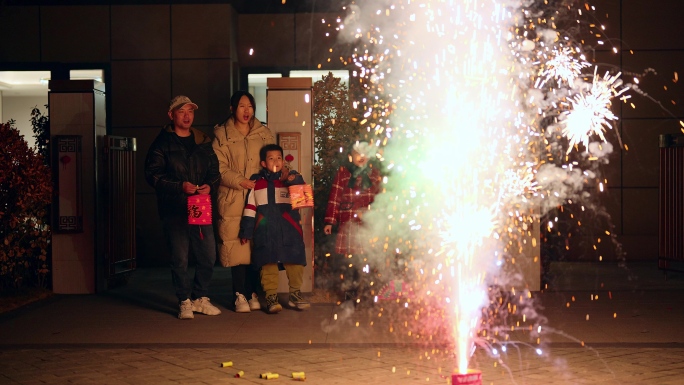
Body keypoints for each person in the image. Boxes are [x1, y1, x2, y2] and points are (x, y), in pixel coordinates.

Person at [144, 95, 222, 320]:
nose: (187, 116)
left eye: (190, 111)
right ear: (171, 115)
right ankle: (184, 300)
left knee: (208, 255)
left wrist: (210, 186)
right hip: (175, 209)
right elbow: (153, 175)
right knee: (180, 257)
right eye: (181, 111)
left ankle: (200, 297)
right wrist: (180, 186)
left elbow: (215, 172)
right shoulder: (162, 143)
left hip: (201, 207)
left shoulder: (203, 142)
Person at [212, 91, 288, 313]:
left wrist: (285, 174)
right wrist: (240, 181)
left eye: (250, 106)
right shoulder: (221, 134)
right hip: (234, 196)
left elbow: (273, 159)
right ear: (232, 108)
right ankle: (239, 294)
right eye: (241, 106)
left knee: (257, 245)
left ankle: (252, 291)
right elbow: (219, 167)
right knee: (237, 245)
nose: (246, 111)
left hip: (261, 195)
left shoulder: (263, 133)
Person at [239, 144, 310, 314]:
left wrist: (295, 179)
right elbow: (250, 207)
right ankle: (271, 297)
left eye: (279, 158)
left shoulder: (292, 179)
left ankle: (295, 295)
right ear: (263, 163)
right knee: (267, 263)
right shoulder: (257, 183)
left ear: (284, 161)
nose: (276, 161)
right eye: (271, 158)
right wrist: (246, 231)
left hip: (290, 230)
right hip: (265, 232)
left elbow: (304, 201)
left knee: (295, 262)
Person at [323, 141, 382, 301]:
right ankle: (350, 294)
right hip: (348, 224)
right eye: (357, 153)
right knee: (349, 263)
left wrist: (371, 214)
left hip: (367, 226)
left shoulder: (374, 175)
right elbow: (334, 198)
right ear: (350, 157)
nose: (361, 156)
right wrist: (330, 221)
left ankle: (368, 294)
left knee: (366, 261)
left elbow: (379, 199)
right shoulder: (342, 174)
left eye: (364, 153)